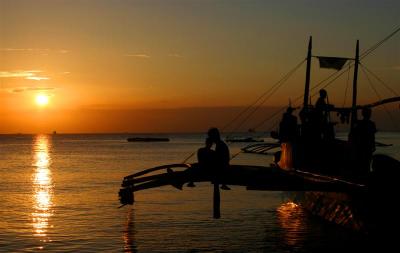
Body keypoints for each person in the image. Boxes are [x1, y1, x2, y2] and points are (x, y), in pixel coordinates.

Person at [351, 107, 377, 176]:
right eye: (369, 113)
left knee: (363, 163)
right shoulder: (371, 124)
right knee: (366, 163)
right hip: (365, 147)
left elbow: (355, 131)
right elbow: (372, 136)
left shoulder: (360, 123)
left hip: (363, 147)